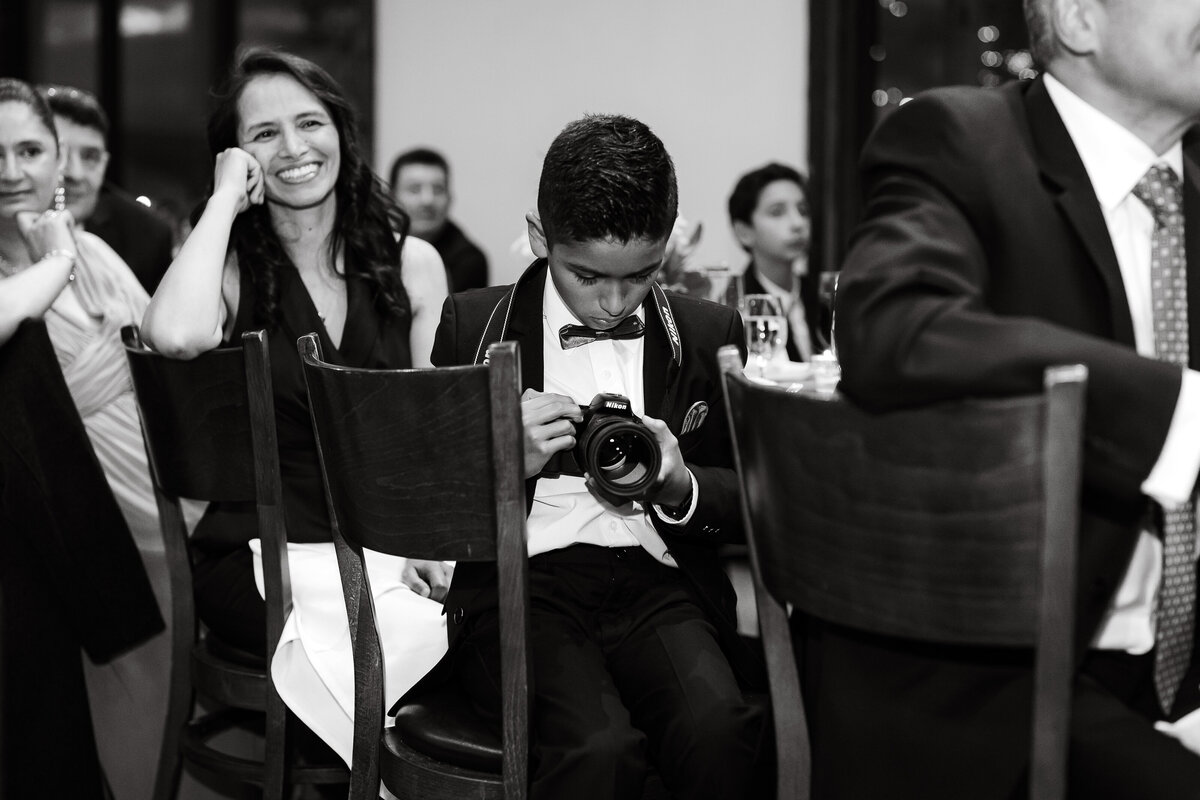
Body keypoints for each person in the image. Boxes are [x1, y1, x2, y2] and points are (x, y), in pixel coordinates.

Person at [826, 0, 1200, 797]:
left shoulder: (1189, 196)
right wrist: (1176, 416)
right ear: (1078, 20)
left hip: (1175, 673)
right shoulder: (957, 139)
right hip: (999, 674)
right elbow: (897, 327)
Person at [411, 114, 769, 799]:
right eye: (586, 277)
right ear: (540, 237)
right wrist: (498, 458)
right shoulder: (472, 323)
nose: (611, 302)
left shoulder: (705, 332)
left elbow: (748, 494)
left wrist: (679, 484)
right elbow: (422, 498)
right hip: (523, 587)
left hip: (659, 584)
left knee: (722, 731)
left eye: (640, 277)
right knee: (596, 750)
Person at [141, 47, 450, 767]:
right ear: (235, 155)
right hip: (261, 556)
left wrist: (423, 544)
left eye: (309, 123)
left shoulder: (413, 263)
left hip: (387, 549)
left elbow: (436, 428)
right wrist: (223, 199)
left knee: (475, 624)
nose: (294, 149)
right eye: (263, 134)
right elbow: (174, 334)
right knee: (390, 641)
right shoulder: (225, 262)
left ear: (342, 132)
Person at [0, 77, 169, 800]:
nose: (11, 171)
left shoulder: (100, 251)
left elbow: (165, 362)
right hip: (60, 528)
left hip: (157, 500)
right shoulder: (61, 261)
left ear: (57, 159)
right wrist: (53, 263)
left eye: (29, 149)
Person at [39, 84, 176, 294]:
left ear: (105, 163)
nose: (75, 173)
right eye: (59, 153)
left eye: (90, 157)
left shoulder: (146, 236)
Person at [727, 162, 822, 361]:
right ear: (744, 232)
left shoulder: (819, 295)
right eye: (777, 212)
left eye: (803, 210)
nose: (798, 224)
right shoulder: (734, 308)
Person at [389, 147, 488, 291]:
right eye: (415, 189)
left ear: (450, 198)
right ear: (391, 198)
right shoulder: (372, 247)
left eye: (438, 189)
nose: (427, 200)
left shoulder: (468, 260)